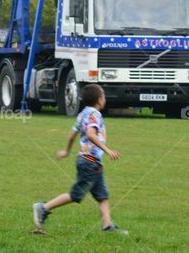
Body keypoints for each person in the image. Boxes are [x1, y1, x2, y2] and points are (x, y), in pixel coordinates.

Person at [32, 84, 127, 235]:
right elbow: (91, 134)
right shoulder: (94, 114)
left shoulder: (82, 114)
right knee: (76, 195)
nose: (105, 99)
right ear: (99, 100)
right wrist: (108, 150)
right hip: (89, 162)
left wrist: (66, 151)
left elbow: (71, 136)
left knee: (102, 195)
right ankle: (43, 208)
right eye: (103, 96)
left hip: (90, 161)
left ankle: (107, 226)